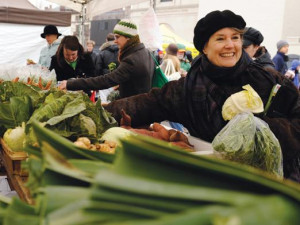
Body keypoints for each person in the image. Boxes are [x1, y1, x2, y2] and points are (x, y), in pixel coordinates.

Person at [104, 10, 300, 182]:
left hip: (277, 182)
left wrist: (262, 132)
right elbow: (146, 103)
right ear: (204, 47)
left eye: (236, 37)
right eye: (220, 39)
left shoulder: (269, 81)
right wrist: (98, 112)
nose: (230, 45)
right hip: (213, 182)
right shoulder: (187, 90)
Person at [58, 19, 155, 99]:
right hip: (142, 104)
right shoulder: (145, 52)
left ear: (128, 38)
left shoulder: (132, 60)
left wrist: (71, 84)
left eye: (117, 37)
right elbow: (138, 81)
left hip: (134, 108)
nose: (115, 41)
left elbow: (106, 80)